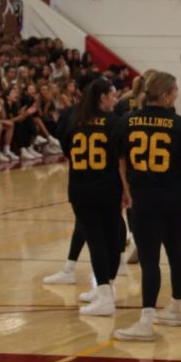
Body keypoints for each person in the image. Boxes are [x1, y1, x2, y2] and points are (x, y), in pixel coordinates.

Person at [113, 72, 181, 342]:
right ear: (164, 95)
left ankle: (146, 322)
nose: (176, 94)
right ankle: (175, 309)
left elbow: (122, 162)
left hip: (143, 198)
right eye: (174, 90)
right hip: (175, 198)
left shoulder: (127, 120)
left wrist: (126, 192)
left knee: (150, 260)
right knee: (175, 251)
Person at [61, 78, 125, 317]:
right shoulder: (115, 123)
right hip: (109, 188)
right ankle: (106, 289)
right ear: (102, 98)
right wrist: (126, 190)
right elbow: (121, 161)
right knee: (110, 239)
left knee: (97, 241)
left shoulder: (75, 121)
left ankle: (105, 293)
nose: (116, 99)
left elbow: (67, 151)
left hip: (82, 188)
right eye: (113, 95)